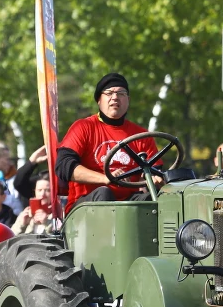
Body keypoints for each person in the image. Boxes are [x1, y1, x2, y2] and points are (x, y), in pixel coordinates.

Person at [56, 72, 160, 213]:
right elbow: (63, 166)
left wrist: (158, 178)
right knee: (104, 193)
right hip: (84, 206)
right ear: (99, 100)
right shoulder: (83, 127)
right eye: (109, 93)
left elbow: (157, 171)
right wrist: (105, 178)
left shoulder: (141, 135)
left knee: (153, 201)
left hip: (126, 204)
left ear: (128, 100)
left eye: (121, 93)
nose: (115, 97)